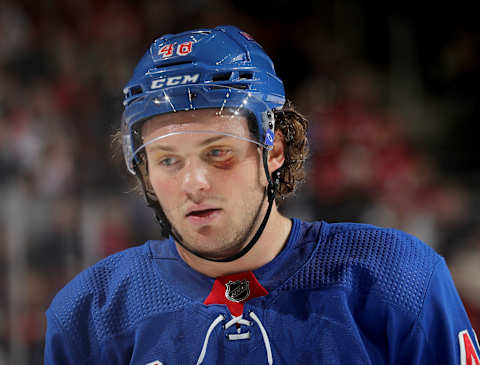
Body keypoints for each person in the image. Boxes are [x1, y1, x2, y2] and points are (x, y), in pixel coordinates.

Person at [44, 25, 480, 364]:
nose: (194, 182)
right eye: (168, 160)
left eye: (218, 153)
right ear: (143, 169)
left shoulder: (399, 279)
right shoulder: (90, 314)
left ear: (272, 149)